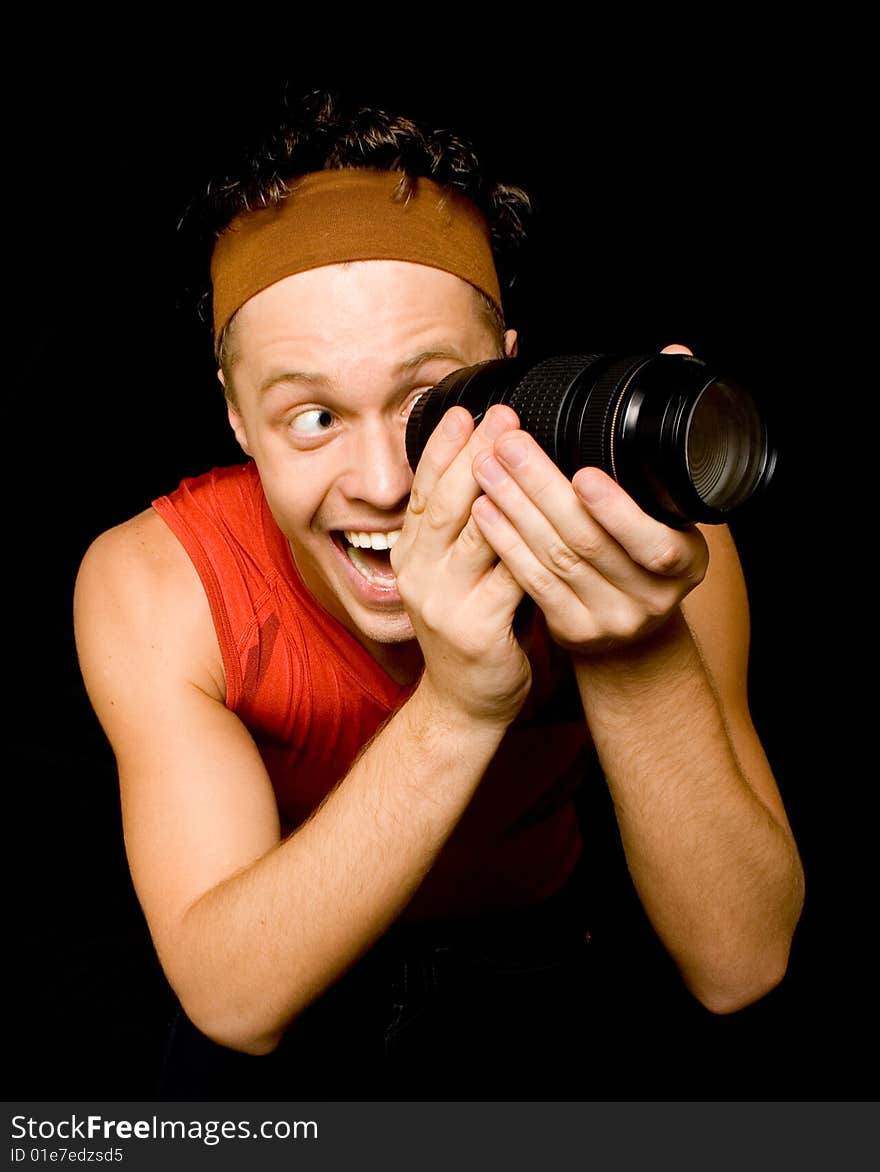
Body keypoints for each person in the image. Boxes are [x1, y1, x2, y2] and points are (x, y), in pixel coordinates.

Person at [73, 89, 805, 1100]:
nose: (381, 479)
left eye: (429, 402)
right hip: (297, 983)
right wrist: (461, 702)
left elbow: (741, 965)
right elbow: (231, 999)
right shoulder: (156, 580)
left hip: (542, 967)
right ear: (237, 417)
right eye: (313, 416)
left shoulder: (653, 542)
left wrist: (631, 646)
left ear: (509, 372)